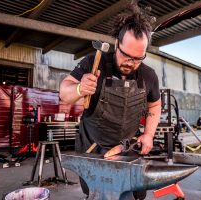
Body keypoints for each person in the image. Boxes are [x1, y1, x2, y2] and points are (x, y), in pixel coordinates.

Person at [59, 3, 161, 199]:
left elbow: (154, 105)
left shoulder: (149, 75)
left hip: (129, 149)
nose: (131, 63)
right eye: (126, 56)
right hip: (95, 150)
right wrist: (80, 88)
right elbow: (64, 92)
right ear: (117, 44)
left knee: (136, 193)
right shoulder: (92, 63)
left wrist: (148, 134)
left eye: (138, 58)